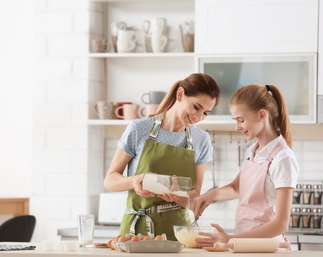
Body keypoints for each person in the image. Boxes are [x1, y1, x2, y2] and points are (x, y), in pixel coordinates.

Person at [103, 73, 220, 240]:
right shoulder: (139, 129)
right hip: (136, 233)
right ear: (180, 94)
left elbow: (194, 198)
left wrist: (179, 197)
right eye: (196, 107)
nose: (199, 117)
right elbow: (109, 181)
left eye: (206, 113)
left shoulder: (201, 139)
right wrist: (134, 181)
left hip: (178, 235)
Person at [192, 84, 299, 247]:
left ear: (262, 115)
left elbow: (281, 224)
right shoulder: (252, 151)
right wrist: (211, 195)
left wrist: (231, 239)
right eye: (235, 121)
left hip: (268, 249)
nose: (237, 127)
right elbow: (236, 188)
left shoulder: (282, 158)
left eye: (241, 120)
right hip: (246, 246)